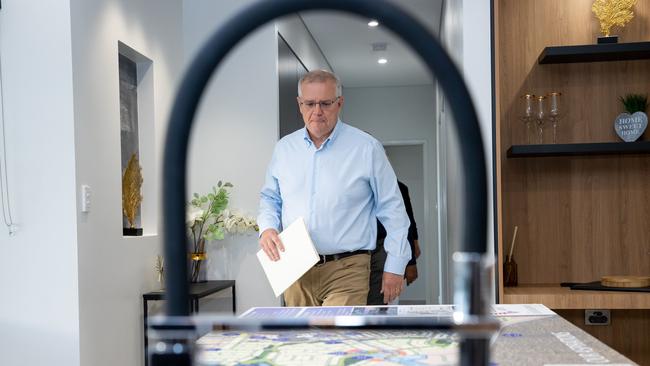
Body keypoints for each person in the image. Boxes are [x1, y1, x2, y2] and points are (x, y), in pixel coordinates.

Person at [257, 70, 411, 306]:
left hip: (347, 267)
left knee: (336, 340)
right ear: (299, 105)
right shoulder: (284, 149)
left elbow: (393, 209)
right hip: (295, 267)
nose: (317, 111)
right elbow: (270, 198)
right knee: (302, 342)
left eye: (325, 103)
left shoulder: (366, 148)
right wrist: (267, 228)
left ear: (340, 103)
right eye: (309, 103)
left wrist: (396, 266)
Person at [368, 181, 421, 305]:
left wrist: (411, 262)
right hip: (353, 251)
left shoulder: (398, 187)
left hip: (383, 246)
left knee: (380, 300)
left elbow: (407, 223)